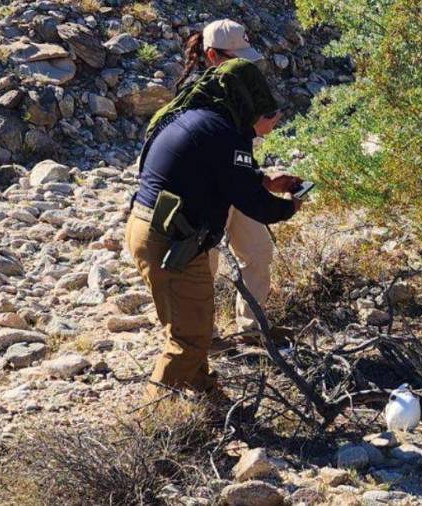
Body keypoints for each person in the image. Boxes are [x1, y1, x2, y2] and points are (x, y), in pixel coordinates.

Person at [125, 58, 303, 404]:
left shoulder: (195, 118)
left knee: (189, 330)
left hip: (149, 229)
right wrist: (289, 206)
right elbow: (254, 203)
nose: (270, 117)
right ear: (248, 100)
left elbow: (220, 172)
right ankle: (151, 423)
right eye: (265, 110)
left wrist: (266, 181)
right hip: (171, 240)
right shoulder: (224, 133)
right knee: (189, 339)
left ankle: (210, 400)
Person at [178, 19, 283, 338]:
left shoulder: (243, 90)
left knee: (258, 250)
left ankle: (252, 328)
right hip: (206, 189)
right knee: (203, 262)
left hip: (238, 180)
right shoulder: (195, 97)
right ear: (212, 56)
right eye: (236, 60)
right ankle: (201, 336)